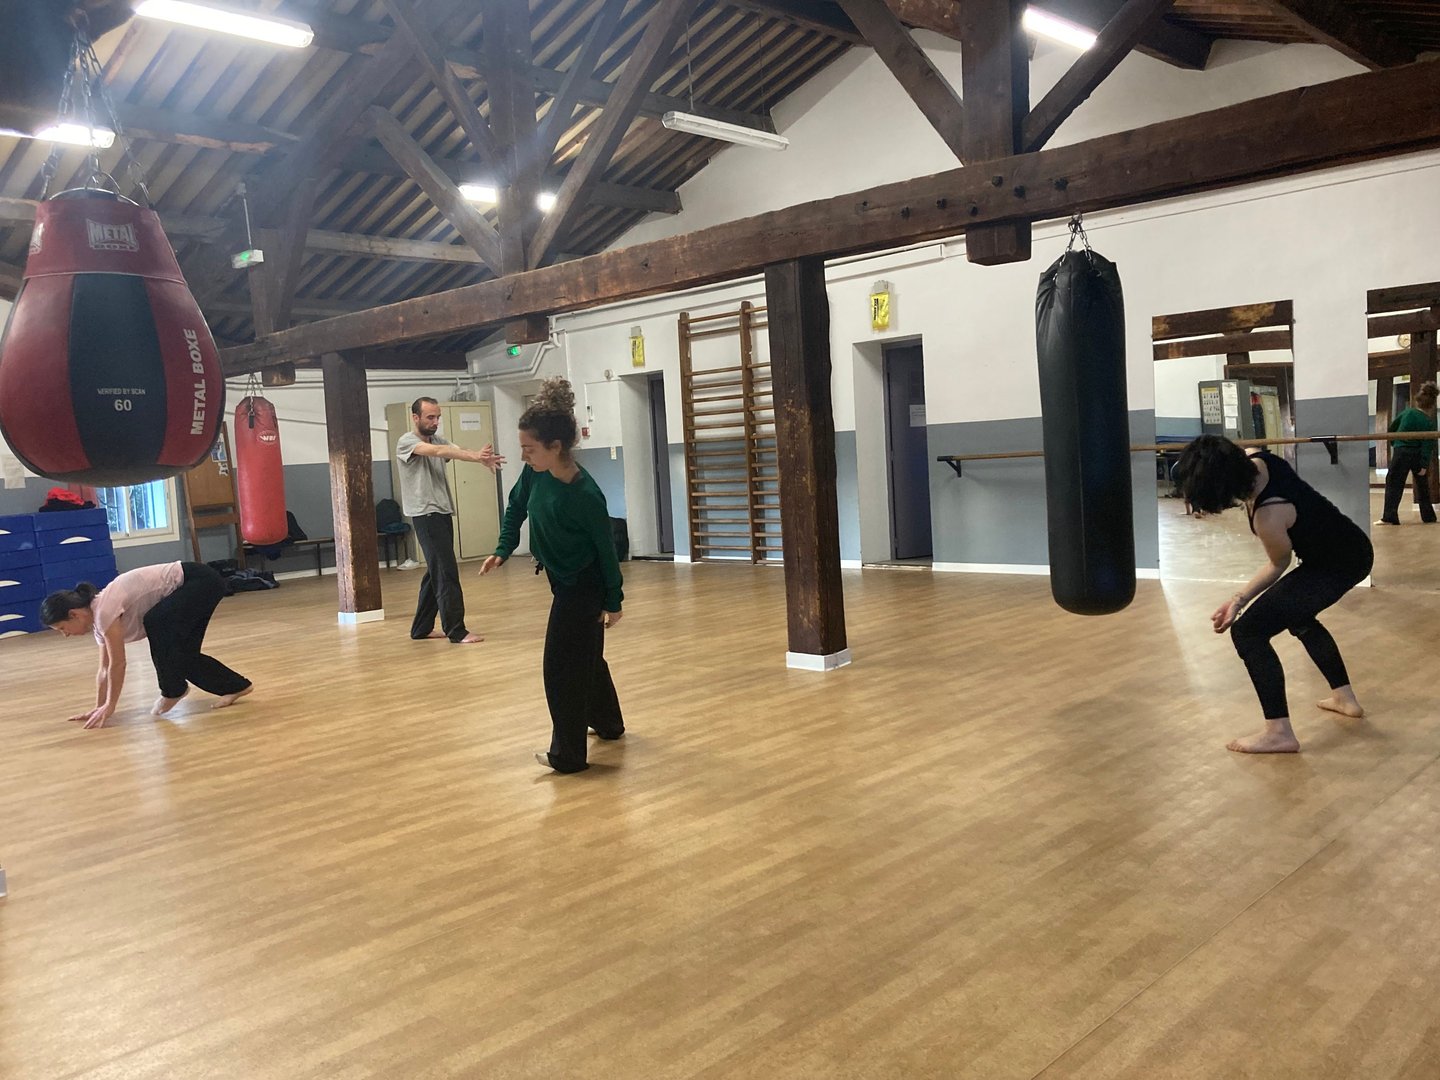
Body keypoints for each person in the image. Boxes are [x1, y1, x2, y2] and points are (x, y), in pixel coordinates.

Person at [1175, 435, 1373, 754]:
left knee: (1248, 632)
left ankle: (1279, 732)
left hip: (1338, 565)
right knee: (1298, 614)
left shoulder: (1270, 514)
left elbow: (1278, 563)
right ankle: (1345, 699)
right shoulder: (1258, 459)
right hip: (1348, 547)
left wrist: (1238, 601)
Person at [479, 377, 625, 774]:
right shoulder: (535, 475)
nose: (523, 455)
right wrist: (503, 549)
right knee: (586, 658)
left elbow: (606, 551)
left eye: (529, 448)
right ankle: (610, 723)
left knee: (562, 667)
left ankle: (568, 756)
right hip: (560, 578)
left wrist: (613, 601)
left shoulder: (586, 495)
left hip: (584, 585)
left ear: (555, 447)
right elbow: (516, 508)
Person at [40, 561, 252, 729]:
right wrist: (99, 707)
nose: (65, 635)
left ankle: (173, 690)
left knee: (157, 623)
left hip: (199, 580)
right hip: (201, 584)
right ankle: (236, 687)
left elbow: (118, 664)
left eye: (62, 628)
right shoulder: (98, 625)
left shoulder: (104, 610)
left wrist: (111, 706)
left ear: (74, 614)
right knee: (182, 654)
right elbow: (104, 669)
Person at [395, 397, 506, 643]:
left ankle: (421, 628)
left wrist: (478, 457)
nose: (435, 422)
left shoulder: (438, 439)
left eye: (438, 417)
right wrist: (475, 456)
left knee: (435, 571)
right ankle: (456, 630)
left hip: (442, 511)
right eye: (430, 417)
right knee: (445, 571)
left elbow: (455, 450)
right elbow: (438, 452)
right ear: (416, 418)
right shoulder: (407, 441)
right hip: (425, 514)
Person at [1377, 380, 1437, 526]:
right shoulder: (1428, 421)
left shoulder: (1407, 413)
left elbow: (1391, 429)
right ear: (1431, 405)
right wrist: (1423, 464)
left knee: (1394, 483)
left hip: (1402, 452)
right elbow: (1428, 444)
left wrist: (1396, 444)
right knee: (1422, 486)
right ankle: (1428, 516)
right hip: (1417, 455)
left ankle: (1390, 516)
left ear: (1417, 401)